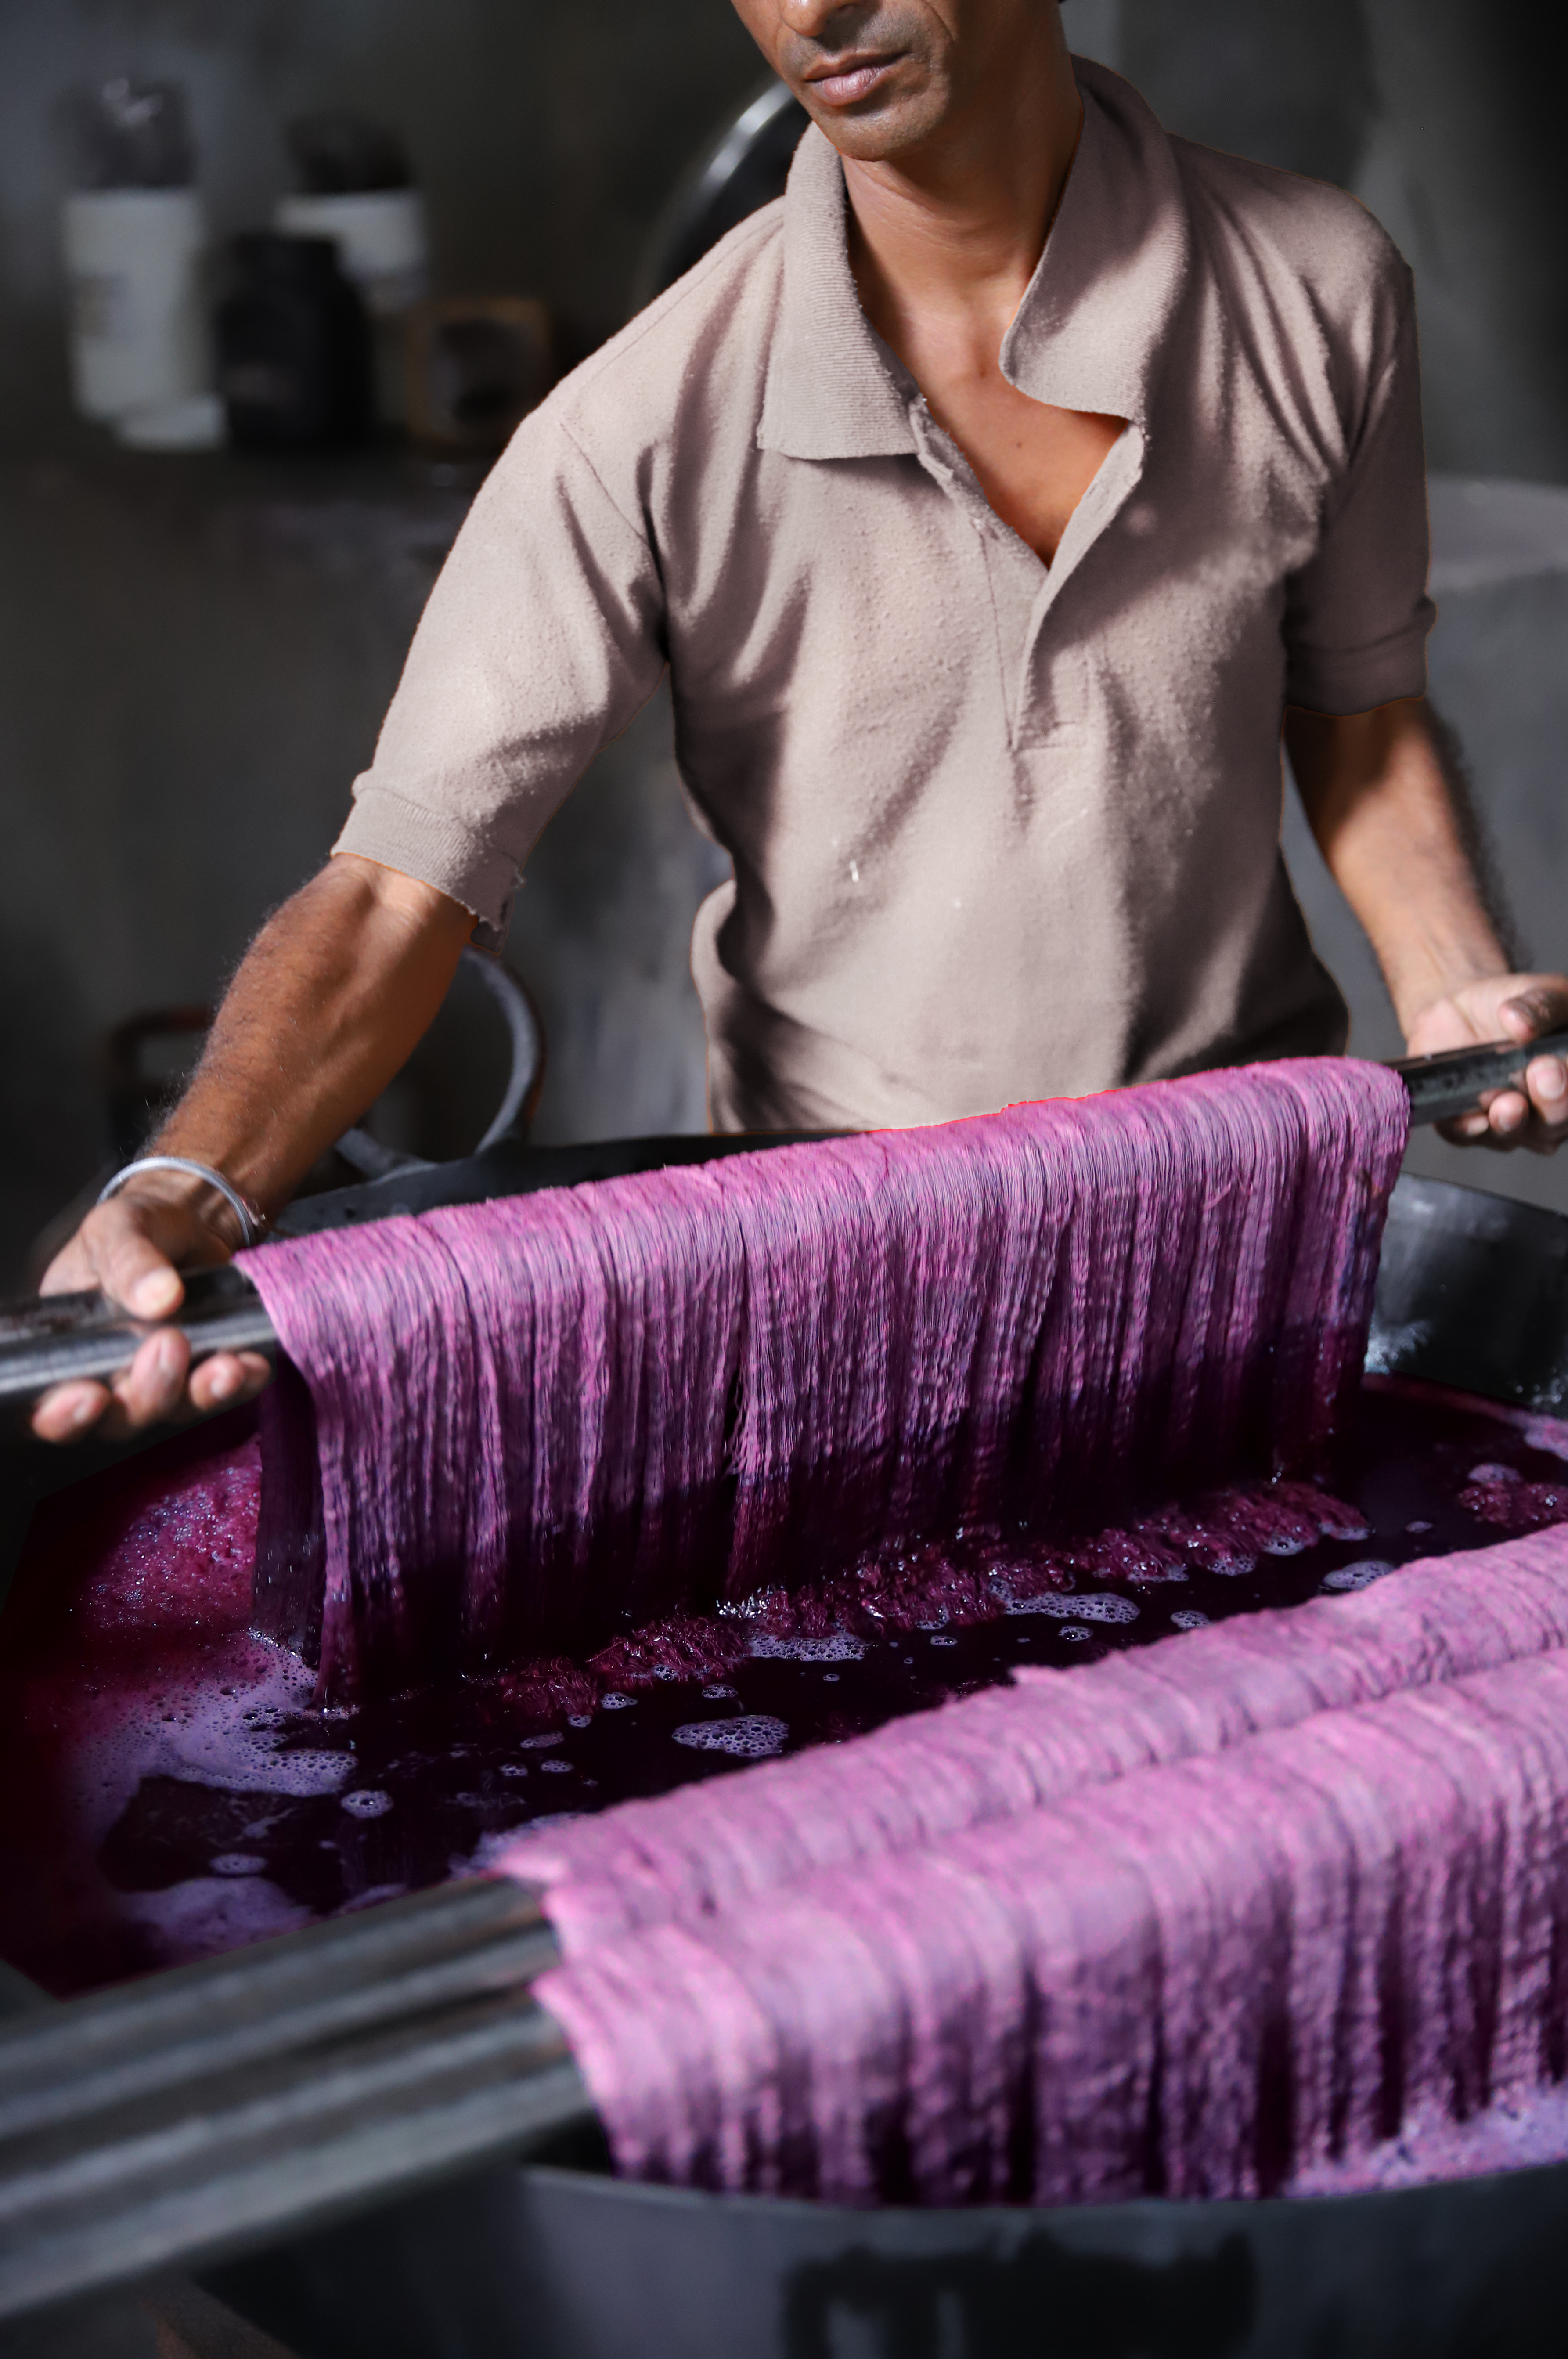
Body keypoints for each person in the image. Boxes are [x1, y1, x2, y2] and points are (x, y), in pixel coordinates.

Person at [33, 0, 1568, 1444]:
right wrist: (192, 1180)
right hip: (839, 1281)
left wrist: (1454, 986)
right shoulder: (635, 427)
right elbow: (392, 889)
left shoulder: (1317, 287)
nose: (813, 11)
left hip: (1248, 1239)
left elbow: (1358, 710)